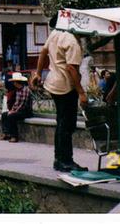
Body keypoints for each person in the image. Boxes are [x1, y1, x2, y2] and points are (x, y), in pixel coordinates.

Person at [30, 15, 88, 172]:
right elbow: (71, 69)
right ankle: (66, 160)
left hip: (53, 83)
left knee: (61, 123)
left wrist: (38, 73)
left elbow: (43, 52)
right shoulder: (72, 41)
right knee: (67, 124)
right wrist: (81, 92)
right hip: (65, 86)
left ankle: (59, 159)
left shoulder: (55, 34)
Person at [0, 72, 32, 142]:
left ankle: (14, 136)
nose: (13, 83)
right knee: (4, 115)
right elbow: (16, 103)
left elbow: (22, 103)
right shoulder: (17, 90)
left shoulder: (25, 90)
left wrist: (14, 111)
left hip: (25, 111)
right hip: (19, 109)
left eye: (14, 82)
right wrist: (12, 110)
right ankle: (6, 133)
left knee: (11, 116)